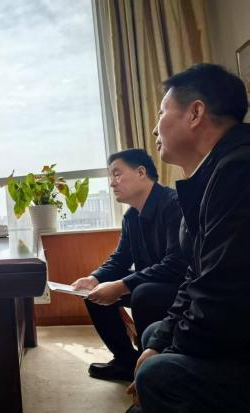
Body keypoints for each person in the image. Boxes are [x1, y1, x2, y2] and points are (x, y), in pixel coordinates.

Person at [127, 63, 250, 412]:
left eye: (162, 112)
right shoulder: (214, 173)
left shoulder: (239, 172)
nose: (155, 128)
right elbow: (196, 275)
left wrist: (169, 349)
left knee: (157, 374)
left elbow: (222, 291)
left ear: (195, 113)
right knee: (153, 336)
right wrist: (163, 340)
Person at [72, 149, 187, 382]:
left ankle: (148, 365)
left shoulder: (174, 204)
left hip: (182, 286)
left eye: (117, 174)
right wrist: (95, 278)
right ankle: (126, 361)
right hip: (152, 280)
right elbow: (120, 258)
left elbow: (176, 264)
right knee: (94, 292)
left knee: (143, 293)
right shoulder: (130, 217)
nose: (112, 183)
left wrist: (123, 285)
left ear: (141, 172)